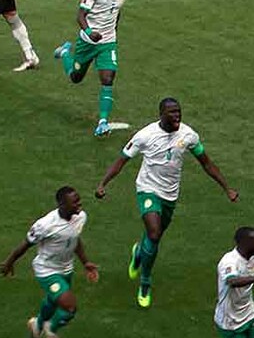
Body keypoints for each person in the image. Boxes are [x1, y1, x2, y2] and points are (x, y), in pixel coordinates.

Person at [95, 97, 238, 308]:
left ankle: (138, 253)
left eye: (179, 112)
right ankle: (145, 282)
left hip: (170, 194)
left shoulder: (188, 135)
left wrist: (227, 188)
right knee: (153, 232)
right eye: (172, 113)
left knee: (154, 238)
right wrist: (103, 183)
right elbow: (121, 161)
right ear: (161, 114)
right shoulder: (145, 136)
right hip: (148, 190)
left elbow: (206, 162)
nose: (177, 116)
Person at [0, 186, 99, 338]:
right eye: (75, 202)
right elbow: (26, 244)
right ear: (61, 204)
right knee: (69, 307)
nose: (79, 204)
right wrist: (9, 262)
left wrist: (85, 262)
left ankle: (36, 325)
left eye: (79, 200)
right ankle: (50, 328)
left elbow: (75, 239)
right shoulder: (45, 225)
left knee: (53, 302)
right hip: (47, 271)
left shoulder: (80, 217)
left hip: (66, 269)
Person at [55, 0, 129, 137]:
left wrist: (114, 33)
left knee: (108, 78)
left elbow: (116, 13)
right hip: (88, 43)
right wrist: (89, 32)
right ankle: (65, 53)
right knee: (75, 77)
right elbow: (80, 15)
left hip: (107, 43)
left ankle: (103, 122)